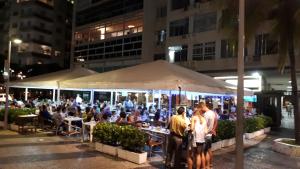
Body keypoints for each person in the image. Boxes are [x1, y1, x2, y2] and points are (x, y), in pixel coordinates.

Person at [197, 102, 217, 168]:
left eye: (200, 108)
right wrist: (213, 129)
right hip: (209, 135)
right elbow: (215, 122)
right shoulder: (212, 113)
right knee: (209, 151)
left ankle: (204, 166)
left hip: (205, 135)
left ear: (202, 107)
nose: (200, 110)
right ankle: (209, 165)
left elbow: (202, 125)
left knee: (202, 153)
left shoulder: (206, 114)